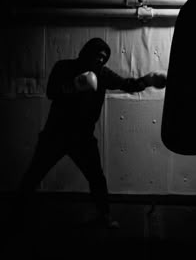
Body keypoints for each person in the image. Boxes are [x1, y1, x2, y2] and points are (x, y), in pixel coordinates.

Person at [16, 38, 166, 229]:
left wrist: (149, 79)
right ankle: (17, 214)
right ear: (87, 53)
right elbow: (51, 92)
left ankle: (104, 216)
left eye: (104, 57)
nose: (100, 60)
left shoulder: (102, 74)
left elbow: (127, 85)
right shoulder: (64, 67)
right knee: (34, 173)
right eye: (97, 55)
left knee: (96, 177)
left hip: (82, 138)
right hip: (56, 134)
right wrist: (71, 87)